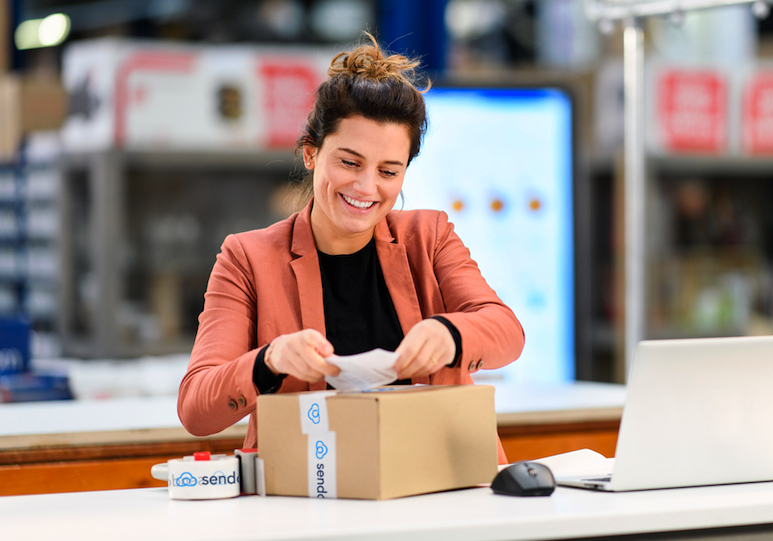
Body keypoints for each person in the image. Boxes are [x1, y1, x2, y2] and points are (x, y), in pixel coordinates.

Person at [177, 35, 525, 464]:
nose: (366, 187)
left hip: (436, 480)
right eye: (349, 162)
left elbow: (507, 332)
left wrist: (451, 334)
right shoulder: (247, 258)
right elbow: (196, 408)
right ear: (311, 153)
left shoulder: (428, 236)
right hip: (310, 489)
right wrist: (270, 360)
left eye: (388, 171)